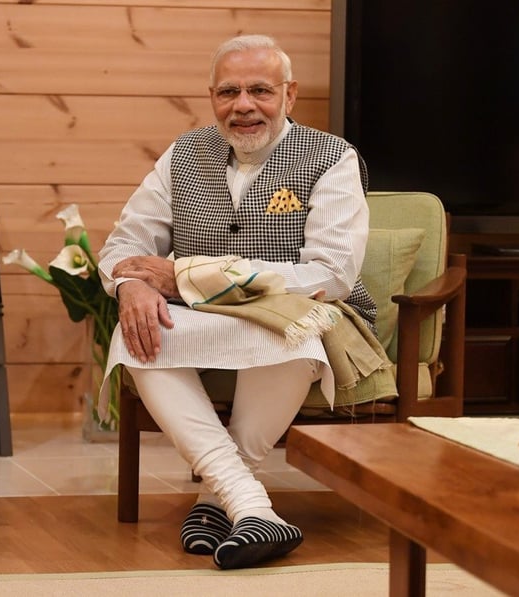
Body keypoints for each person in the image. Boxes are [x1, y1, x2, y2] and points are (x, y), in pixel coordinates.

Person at [97, 34, 377, 570]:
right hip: (205, 320)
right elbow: (123, 245)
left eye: (259, 90)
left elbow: (331, 273)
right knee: (134, 332)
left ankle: (217, 499)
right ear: (211, 97)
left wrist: (190, 278)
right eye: (228, 92)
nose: (243, 105)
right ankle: (251, 506)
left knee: (297, 325)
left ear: (289, 95)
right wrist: (130, 285)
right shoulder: (182, 155)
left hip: (301, 313)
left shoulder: (333, 156)